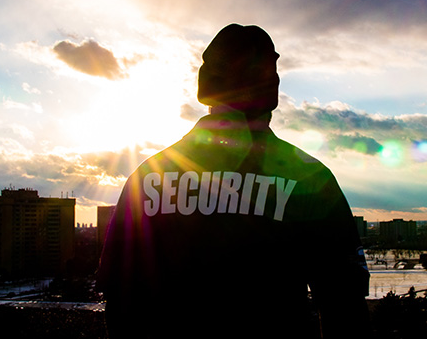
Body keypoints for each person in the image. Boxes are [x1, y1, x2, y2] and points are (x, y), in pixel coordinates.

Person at [97, 24, 370, 338]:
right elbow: (345, 310)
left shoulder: (148, 176)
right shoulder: (308, 177)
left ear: (207, 86)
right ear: (272, 86)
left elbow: (119, 305)